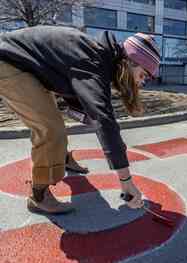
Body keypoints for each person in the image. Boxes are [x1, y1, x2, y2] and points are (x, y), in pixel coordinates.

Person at [0, 26, 160, 214]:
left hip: (28, 66)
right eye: (142, 75)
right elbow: (104, 120)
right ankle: (38, 195)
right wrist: (126, 182)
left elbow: (94, 110)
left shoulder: (102, 56)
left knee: (55, 121)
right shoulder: (93, 62)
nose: (141, 82)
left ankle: (62, 158)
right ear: (130, 62)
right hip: (9, 62)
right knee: (50, 128)